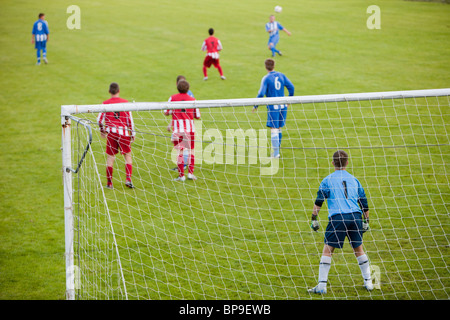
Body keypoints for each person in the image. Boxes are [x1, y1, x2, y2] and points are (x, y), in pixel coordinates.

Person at [308, 150, 373, 294]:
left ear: (332, 163)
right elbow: (364, 202)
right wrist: (366, 220)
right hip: (356, 217)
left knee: (328, 250)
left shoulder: (327, 180)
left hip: (338, 218)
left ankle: (321, 286)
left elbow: (319, 202)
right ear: (347, 163)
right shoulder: (354, 180)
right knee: (359, 249)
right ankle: (368, 282)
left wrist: (314, 219)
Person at [253, 58, 294, 158]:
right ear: (274, 65)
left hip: (273, 107)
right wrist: (289, 100)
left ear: (265, 67)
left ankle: (276, 154)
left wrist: (255, 105)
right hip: (283, 105)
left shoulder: (266, 78)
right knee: (279, 128)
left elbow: (261, 93)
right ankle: (277, 151)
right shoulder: (281, 75)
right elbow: (291, 87)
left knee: (274, 129)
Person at [97, 83, 135, 189]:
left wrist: (102, 131)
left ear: (109, 91)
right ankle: (128, 179)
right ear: (119, 91)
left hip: (111, 133)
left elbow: (99, 120)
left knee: (110, 157)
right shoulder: (125, 103)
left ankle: (109, 183)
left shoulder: (105, 103)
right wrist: (133, 133)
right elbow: (130, 120)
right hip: (123, 133)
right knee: (127, 155)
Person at [164, 80, 201, 181]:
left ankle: (181, 176)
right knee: (191, 151)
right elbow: (197, 116)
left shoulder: (173, 98)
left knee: (180, 152)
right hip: (190, 130)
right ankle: (190, 174)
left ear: (177, 88)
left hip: (178, 130)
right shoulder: (192, 99)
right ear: (188, 89)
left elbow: (166, 112)